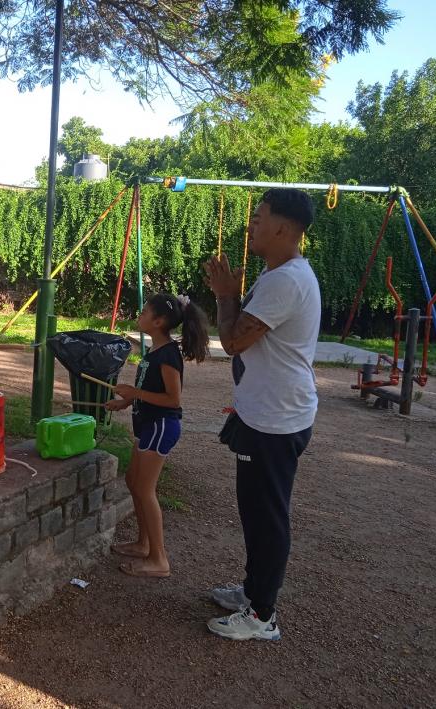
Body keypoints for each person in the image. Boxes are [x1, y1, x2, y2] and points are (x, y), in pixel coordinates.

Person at [203, 188, 320, 641]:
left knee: (266, 516)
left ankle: (262, 616)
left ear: (283, 228)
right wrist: (230, 294)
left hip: (276, 419)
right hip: (269, 413)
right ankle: (253, 592)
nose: (251, 224)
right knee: (255, 511)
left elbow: (232, 341)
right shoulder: (282, 275)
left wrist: (225, 296)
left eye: (260, 216)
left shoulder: (284, 281)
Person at [105, 293, 210, 578]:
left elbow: (173, 400)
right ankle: (143, 544)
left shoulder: (168, 355)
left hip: (162, 426)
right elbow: (149, 390)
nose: (139, 316)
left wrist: (135, 393)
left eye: (143, 312)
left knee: (144, 488)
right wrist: (126, 401)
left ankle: (159, 558)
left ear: (159, 321)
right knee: (132, 481)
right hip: (149, 424)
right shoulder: (154, 352)